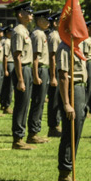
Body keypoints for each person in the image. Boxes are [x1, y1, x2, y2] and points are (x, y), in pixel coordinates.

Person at [55, 28, 88, 181]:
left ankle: (69, 172)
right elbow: (62, 76)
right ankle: (65, 175)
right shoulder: (64, 47)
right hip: (72, 91)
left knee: (76, 131)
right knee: (70, 133)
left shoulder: (75, 47)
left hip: (80, 89)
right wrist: (67, 103)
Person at [9, 2, 35, 150]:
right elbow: (17, 56)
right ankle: (18, 138)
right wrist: (20, 79)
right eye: (28, 12)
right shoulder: (18, 31)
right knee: (21, 105)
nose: (31, 14)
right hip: (22, 69)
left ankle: (21, 136)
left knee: (25, 105)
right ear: (20, 14)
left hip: (27, 68)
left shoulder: (24, 30)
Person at [26, 9, 52, 145]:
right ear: (39, 20)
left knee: (41, 102)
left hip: (44, 69)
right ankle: (32, 133)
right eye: (45, 19)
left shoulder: (41, 34)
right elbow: (35, 57)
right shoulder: (37, 34)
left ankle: (36, 131)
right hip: (40, 70)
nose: (48, 22)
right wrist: (35, 76)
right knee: (37, 102)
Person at [46, 13, 62, 139]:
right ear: (55, 23)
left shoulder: (58, 35)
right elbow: (52, 57)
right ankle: (53, 126)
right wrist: (53, 76)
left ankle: (57, 124)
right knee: (54, 99)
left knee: (59, 98)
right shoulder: (54, 36)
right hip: (54, 70)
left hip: (59, 69)